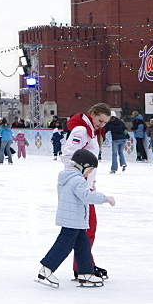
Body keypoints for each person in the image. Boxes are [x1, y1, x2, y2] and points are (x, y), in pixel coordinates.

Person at [37, 149, 115, 288]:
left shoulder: (67, 177)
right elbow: (86, 196)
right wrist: (105, 198)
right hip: (73, 219)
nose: (89, 174)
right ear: (83, 165)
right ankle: (46, 269)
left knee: (83, 246)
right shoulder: (77, 180)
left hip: (74, 219)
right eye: (89, 171)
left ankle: (85, 273)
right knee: (63, 246)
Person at [61, 103, 111, 279]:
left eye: (104, 123)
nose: (101, 125)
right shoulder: (82, 131)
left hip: (85, 186)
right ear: (92, 114)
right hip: (81, 189)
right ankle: (83, 267)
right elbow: (69, 156)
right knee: (86, 229)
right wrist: (78, 181)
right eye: (99, 120)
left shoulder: (90, 132)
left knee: (86, 229)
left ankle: (84, 265)